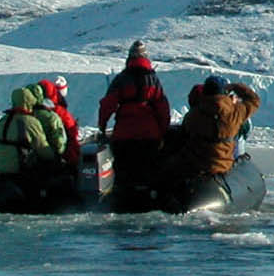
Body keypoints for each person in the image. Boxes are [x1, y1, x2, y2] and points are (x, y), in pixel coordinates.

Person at [155, 75, 261, 205]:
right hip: (223, 164)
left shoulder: (194, 114)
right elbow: (254, 100)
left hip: (196, 164)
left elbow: (185, 134)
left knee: (165, 168)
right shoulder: (236, 113)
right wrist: (235, 86)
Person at [97, 41, 170, 195]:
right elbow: (163, 108)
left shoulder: (121, 80)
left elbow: (107, 105)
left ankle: (123, 199)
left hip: (124, 135)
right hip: (150, 136)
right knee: (149, 172)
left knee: (125, 174)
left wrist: (102, 127)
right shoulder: (153, 80)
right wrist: (163, 132)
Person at [0, 83, 73, 207]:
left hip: (3, 171)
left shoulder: (2, 121)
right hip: (22, 172)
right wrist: (57, 159)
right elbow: (43, 149)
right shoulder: (30, 122)